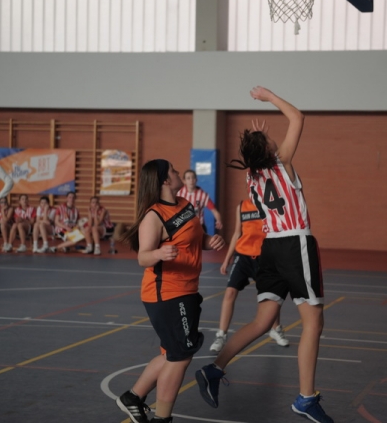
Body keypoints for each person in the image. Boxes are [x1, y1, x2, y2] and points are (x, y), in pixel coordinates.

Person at [196, 87, 333, 423]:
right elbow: (297, 117)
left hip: (268, 248)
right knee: (313, 322)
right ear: (270, 150)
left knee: (262, 321)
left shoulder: (252, 175)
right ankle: (306, 398)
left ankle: (214, 369)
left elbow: (258, 153)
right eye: (270, 141)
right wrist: (270, 97)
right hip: (294, 243)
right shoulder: (282, 163)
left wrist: (258, 140)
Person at [116, 159, 225, 423]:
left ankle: (133, 397)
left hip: (187, 289)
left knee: (171, 353)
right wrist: (159, 253)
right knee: (180, 357)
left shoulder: (185, 205)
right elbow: (143, 257)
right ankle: (162, 418)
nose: (178, 173)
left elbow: (193, 239)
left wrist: (209, 241)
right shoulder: (153, 216)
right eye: (174, 171)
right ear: (165, 180)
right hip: (166, 294)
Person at [209, 198, 289, 352]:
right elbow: (237, 233)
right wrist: (227, 259)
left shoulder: (269, 205)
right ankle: (221, 335)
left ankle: (276, 329)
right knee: (230, 292)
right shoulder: (241, 206)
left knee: (270, 296)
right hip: (243, 257)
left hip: (264, 257)